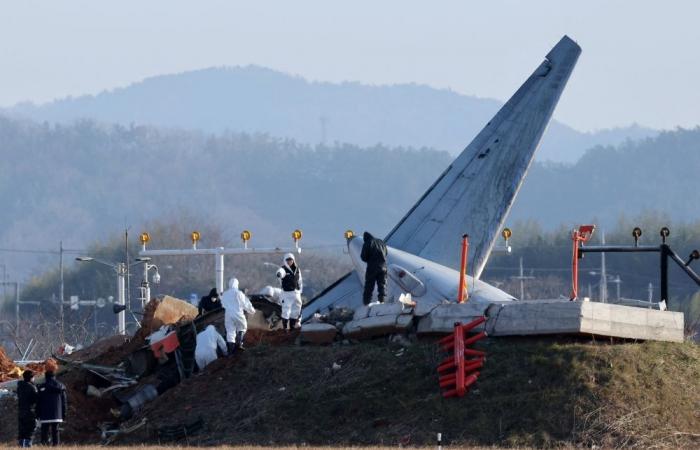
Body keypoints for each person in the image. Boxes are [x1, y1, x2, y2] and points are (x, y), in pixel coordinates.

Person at [36, 359, 67, 447]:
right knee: (55, 431)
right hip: (57, 413)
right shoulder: (61, 386)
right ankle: (56, 446)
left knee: (44, 431)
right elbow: (64, 401)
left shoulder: (41, 387)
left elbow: (38, 402)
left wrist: (37, 413)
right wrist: (64, 413)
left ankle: (44, 446)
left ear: (46, 375)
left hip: (44, 413)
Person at [220, 277, 256, 352]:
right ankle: (239, 344)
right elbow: (245, 304)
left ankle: (231, 350)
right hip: (238, 313)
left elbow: (223, 305)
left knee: (230, 332)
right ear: (237, 284)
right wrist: (252, 311)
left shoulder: (225, 294)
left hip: (228, 315)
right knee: (242, 327)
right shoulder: (239, 293)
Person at [276, 253, 303, 331]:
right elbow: (279, 273)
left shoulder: (297, 269)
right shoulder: (283, 269)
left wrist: (300, 290)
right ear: (285, 260)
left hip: (296, 292)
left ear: (293, 260)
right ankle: (285, 328)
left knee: (296, 310)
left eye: (290, 260)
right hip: (286, 293)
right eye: (287, 260)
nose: (289, 261)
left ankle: (292, 327)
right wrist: (279, 274)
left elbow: (300, 280)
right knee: (286, 310)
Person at [360, 231, 388, 305]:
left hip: (372, 267)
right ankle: (382, 301)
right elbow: (386, 253)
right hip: (384, 267)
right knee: (382, 285)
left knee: (369, 285)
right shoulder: (381, 242)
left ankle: (366, 303)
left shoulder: (367, 242)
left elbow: (363, 257)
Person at [17, 370, 37, 447]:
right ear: (31, 378)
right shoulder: (32, 387)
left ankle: (21, 445)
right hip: (30, 411)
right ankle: (28, 445)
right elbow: (35, 399)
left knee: (22, 430)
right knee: (30, 430)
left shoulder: (20, 387)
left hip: (21, 411)